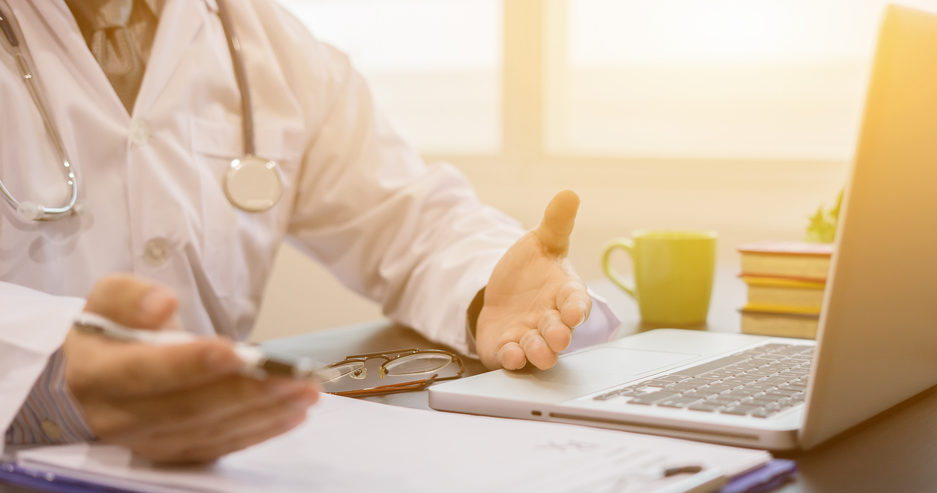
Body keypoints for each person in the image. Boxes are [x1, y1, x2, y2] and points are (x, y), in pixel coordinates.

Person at [0, 0, 617, 463]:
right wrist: (53, 369)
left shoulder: (264, 43)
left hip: (213, 478)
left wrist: (490, 291)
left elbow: (405, 217)